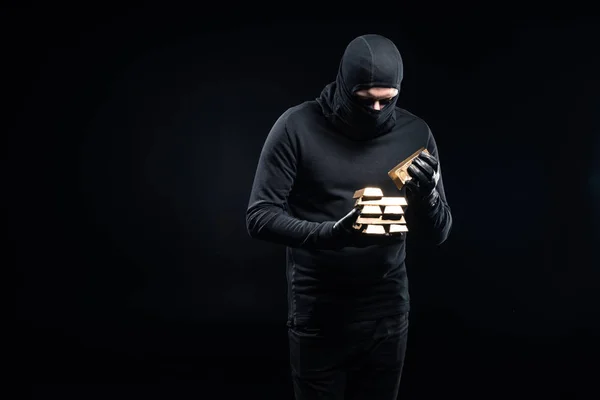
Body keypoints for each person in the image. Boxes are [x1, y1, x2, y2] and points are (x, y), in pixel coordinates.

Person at [246, 34, 452, 400]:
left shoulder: (416, 133)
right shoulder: (296, 126)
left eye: (386, 101)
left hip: (388, 312)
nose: (376, 111)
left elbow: (441, 232)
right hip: (318, 314)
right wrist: (331, 234)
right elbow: (259, 216)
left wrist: (427, 198)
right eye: (365, 100)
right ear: (344, 85)